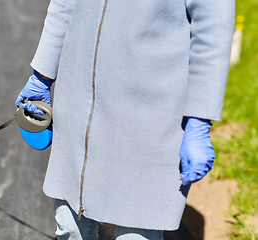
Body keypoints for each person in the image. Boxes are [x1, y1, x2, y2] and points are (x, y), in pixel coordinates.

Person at [15, 0, 235, 239]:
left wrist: (199, 120)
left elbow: (214, 28)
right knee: (70, 225)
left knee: (136, 234)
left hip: (152, 113)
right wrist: (42, 76)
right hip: (80, 101)